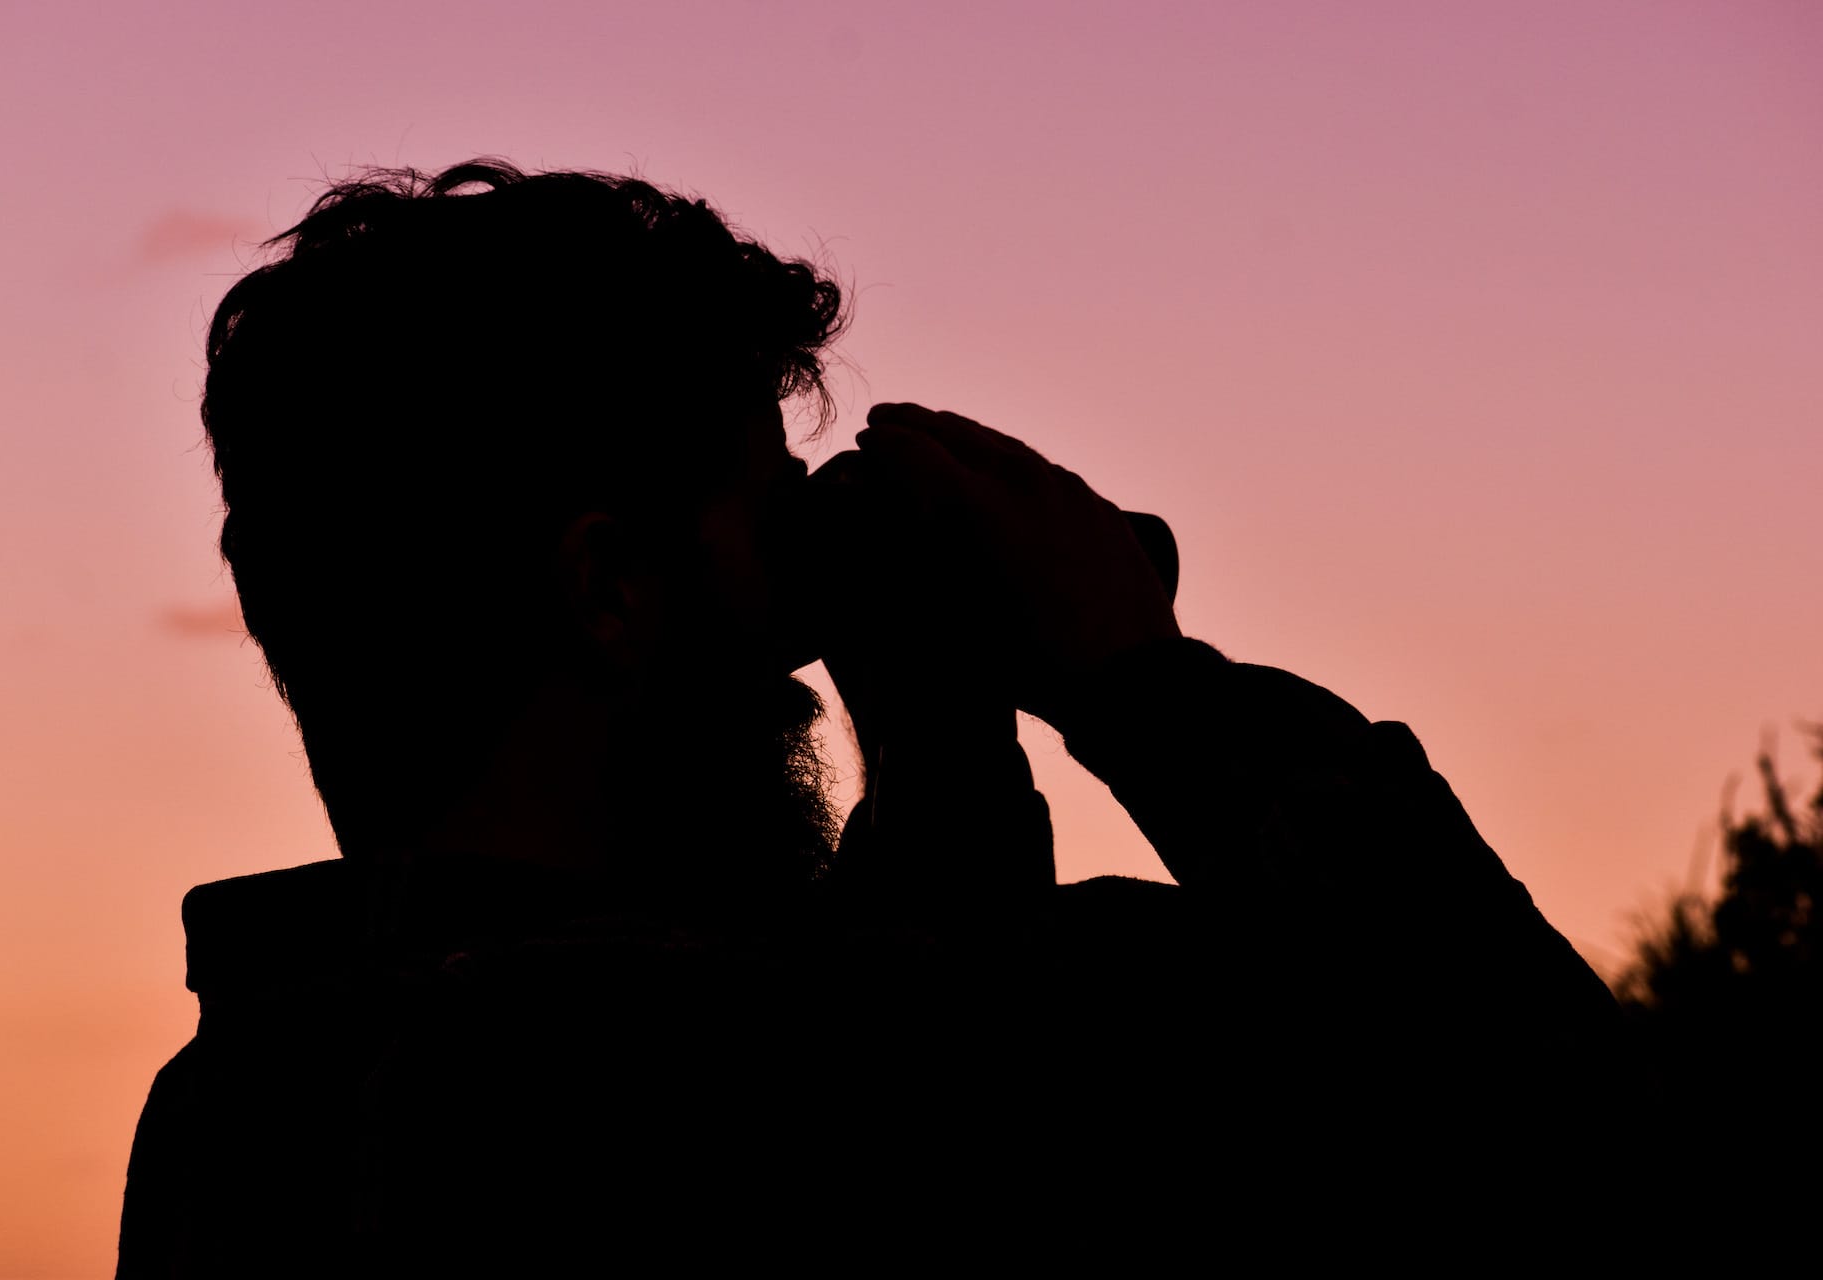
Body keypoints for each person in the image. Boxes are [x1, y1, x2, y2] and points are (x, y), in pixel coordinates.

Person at [117, 160, 1626, 1275]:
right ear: (609, 588)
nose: (804, 645)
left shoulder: (230, 1119)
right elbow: (1552, 1122)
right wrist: (1138, 680)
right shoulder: (824, 1079)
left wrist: (934, 738)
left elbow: (884, 1016)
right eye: (770, 520)